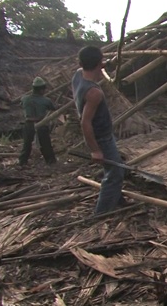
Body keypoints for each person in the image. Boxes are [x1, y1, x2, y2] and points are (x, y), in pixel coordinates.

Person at [72, 46, 126, 214]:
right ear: (98, 63)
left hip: (104, 135)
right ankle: (101, 213)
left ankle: (118, 200)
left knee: (112, 168)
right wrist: (95, 150)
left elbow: (95, 65)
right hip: (101, 138)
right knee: (115, 173)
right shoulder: (94, 92)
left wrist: (109, 63)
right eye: (102, 61)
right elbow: (85, 123)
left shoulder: (78, 74)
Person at [18, 77, 57, 166]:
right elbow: (53, 108)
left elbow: (21, 105)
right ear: (41, 90)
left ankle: (22, 162)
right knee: (46, 145)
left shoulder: (25, 98)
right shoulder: (46, 100)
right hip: (41, 124)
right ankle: (51, 162)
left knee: (27, 145)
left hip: (28, 124)